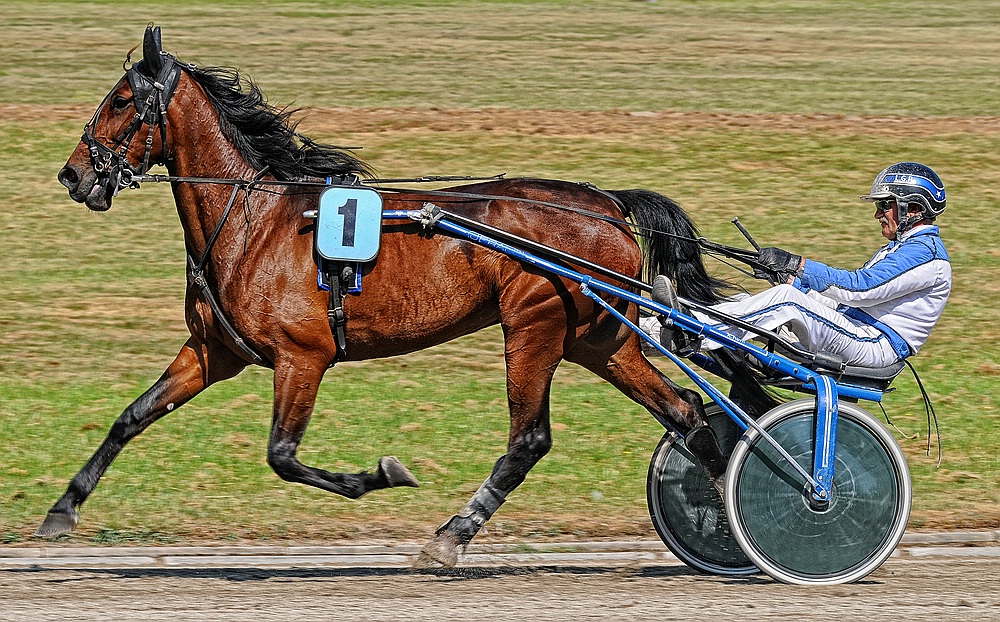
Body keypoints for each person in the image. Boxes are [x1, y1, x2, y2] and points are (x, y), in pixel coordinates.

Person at [642, 162, 951, 368]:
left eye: (884, 205)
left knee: (786, 303)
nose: (878, 213)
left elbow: (861, 289)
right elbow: (843, 300)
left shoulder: (925, 254)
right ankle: (661, 329)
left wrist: (798, 264)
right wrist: (789, 279)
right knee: (747, 301)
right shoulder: (904, 248)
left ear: (912, 208)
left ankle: (686, 333)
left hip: (874, 345)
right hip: (855, 330)